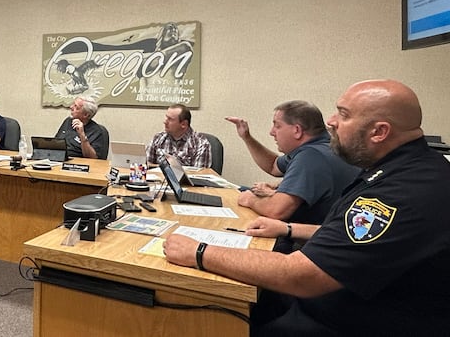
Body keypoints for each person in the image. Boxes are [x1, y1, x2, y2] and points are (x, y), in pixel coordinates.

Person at [164, 80, 450, 336]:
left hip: (346, 319)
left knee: (201, 309)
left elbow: (303, 276)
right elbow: (352, 233)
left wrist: (199, 251)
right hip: (339, 300)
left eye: (344, 114)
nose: (332, 121)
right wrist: (289, 228)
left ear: (379, 132)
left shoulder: (402, 191)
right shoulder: (397, 168)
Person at [225, 101, 358, 227]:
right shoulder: (322, 146)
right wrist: (247, 137)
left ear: (297, 130)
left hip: (309, 241)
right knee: (235, 190)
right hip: (323, 232)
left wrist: (250, 199)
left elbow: (277, 211)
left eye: (277, 126)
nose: (272, 132)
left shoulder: (311, 156)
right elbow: (273, 166)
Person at [146, 104, 211, 168]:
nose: (165, 122)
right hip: (158, 178)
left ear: (183, 124)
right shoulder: (158, 138)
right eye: (166, 117)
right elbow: (146, 164)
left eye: (170, 119)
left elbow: (198, 175)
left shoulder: (200, 144)